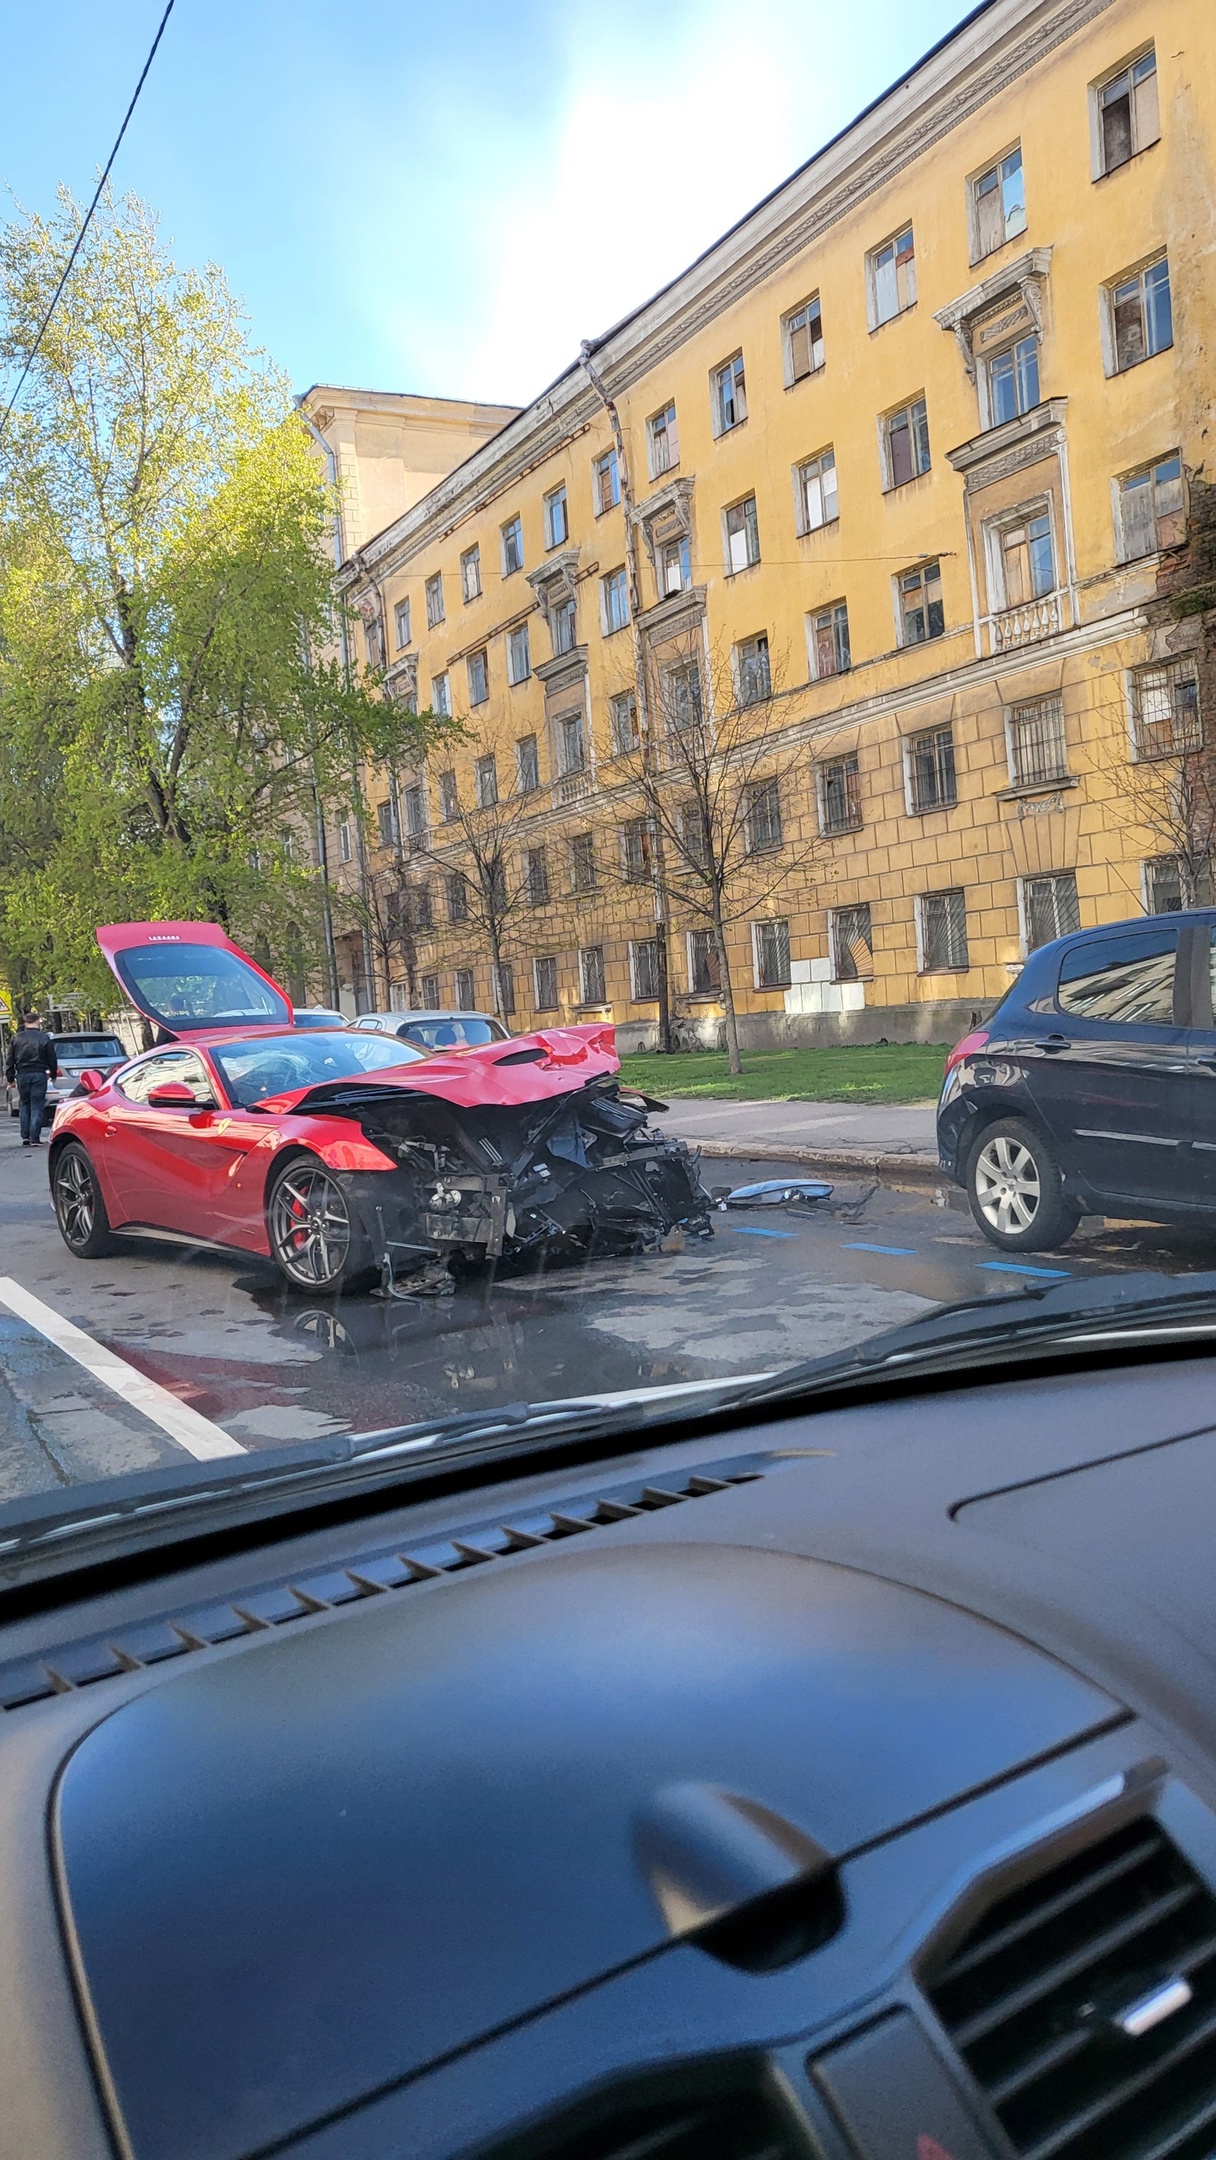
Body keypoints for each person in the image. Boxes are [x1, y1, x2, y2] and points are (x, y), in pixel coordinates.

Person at [5, 1013, 57, 1147]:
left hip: (22, 1074)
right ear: (38, 1021)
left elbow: (10, 1060)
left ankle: (25, 1136)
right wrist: (53, 1074)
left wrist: (10, 1078)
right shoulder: (44, 1038)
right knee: (37, 1105)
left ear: (25, 1022)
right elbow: (52, 1058)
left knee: (24, 1104)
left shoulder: (16, 1038)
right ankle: (35, 1137)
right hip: (39, 1074)